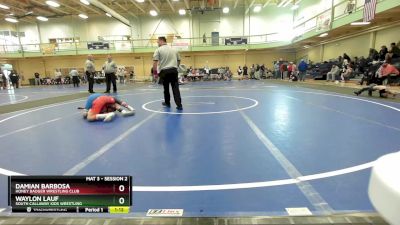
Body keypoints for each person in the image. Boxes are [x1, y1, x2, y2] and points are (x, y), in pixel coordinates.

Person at [153, 36, 183, 110]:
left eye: (157, 41)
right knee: (175, 88)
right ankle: (179, 105)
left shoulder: (158, 50)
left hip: (164, 71)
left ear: (161, 41)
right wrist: (176, 66)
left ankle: (167, 103)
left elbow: (155, 62)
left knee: (166, 88)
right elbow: (179, 60)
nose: (157, 43)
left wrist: (155, 73)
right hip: (174, 70)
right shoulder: (174, 49)